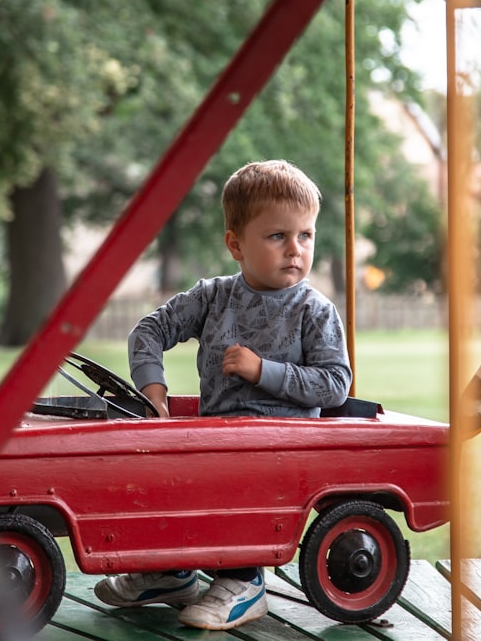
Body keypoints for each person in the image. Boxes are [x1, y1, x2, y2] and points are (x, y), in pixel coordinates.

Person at [93, 159, 352, 631]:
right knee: (159, 468)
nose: (295, 249)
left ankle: (244, 580)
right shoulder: (214, 297)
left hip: (282, 448)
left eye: (306, 235)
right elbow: (149, 331)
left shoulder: (315, 311)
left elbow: (335, 385)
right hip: (217, 438)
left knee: (233, 473)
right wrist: (154, 395)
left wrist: (263, 371)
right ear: (235, 243)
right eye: (277, 236)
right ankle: (171, 572)